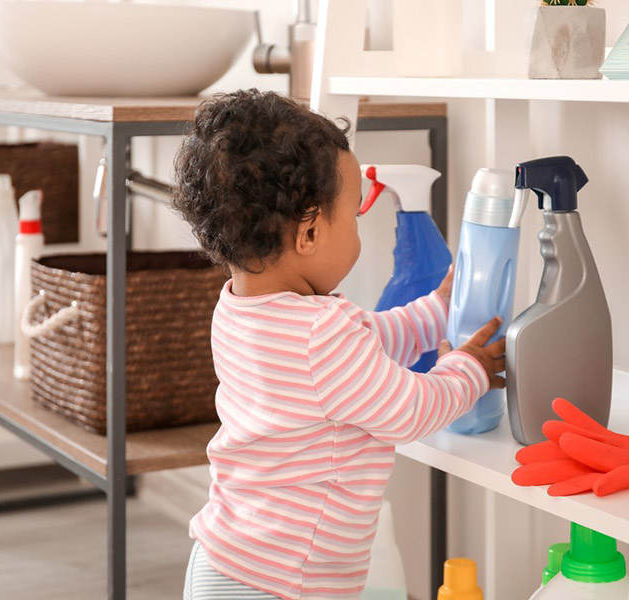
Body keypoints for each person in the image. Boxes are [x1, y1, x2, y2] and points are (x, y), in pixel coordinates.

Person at [173, 89, 505, 600]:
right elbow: (409, 410)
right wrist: (470, 368)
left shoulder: (239, 309)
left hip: (227, 561)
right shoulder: (319, 333)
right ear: (307, 233)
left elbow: (366, 344)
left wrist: (437, 307)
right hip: (282, 582)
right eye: (352, 216)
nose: (357, 231)